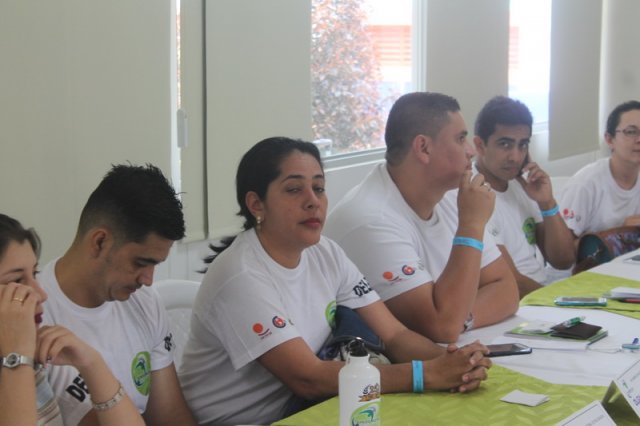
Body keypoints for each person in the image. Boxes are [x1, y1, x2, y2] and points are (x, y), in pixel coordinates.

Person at [178, 137, 492, 426]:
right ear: (256, 204)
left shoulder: (326, 253)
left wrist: (454, 361)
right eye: (294, 189)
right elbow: (309, 378)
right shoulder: (241, 276)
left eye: (319, 188)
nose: (313, 201)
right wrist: (425, 375)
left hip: (307, 411)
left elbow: (395, 335)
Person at [324, 92, 519, 343]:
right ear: (424, 148)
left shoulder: (453, 195)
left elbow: (506, 289)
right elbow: (441, 327)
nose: (471, 151)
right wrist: (471, 225)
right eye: (460, 139)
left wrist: (463, 317)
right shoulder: (370, 219)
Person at [38, 165, 196, 425]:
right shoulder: (37, 317)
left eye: (155, 265)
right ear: (100, 242)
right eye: (140, 263)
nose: (148, 280)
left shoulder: (145, 302)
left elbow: (171, 417)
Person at [0, 213, 145, 426]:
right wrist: (16, 357)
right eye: (16, 280)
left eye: (35, 273)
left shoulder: (31, 359)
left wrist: (91, 363)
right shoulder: (18, 358)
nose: (40, 294)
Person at [473, 96, 575, 297]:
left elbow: (563, 260)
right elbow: (508, 281)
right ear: (480, 145)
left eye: (523, 145)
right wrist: (556, 302)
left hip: (538, 292)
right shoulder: (472, 194)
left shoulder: (521, 184)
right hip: (515, 302)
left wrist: (547, 203)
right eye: (505, 144)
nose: (516, 157)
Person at [561, 100, 640, 239]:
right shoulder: (585, 185)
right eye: (631, 132)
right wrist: (621, 233)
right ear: (609, 140)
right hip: (594, 254)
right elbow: (562, 250)